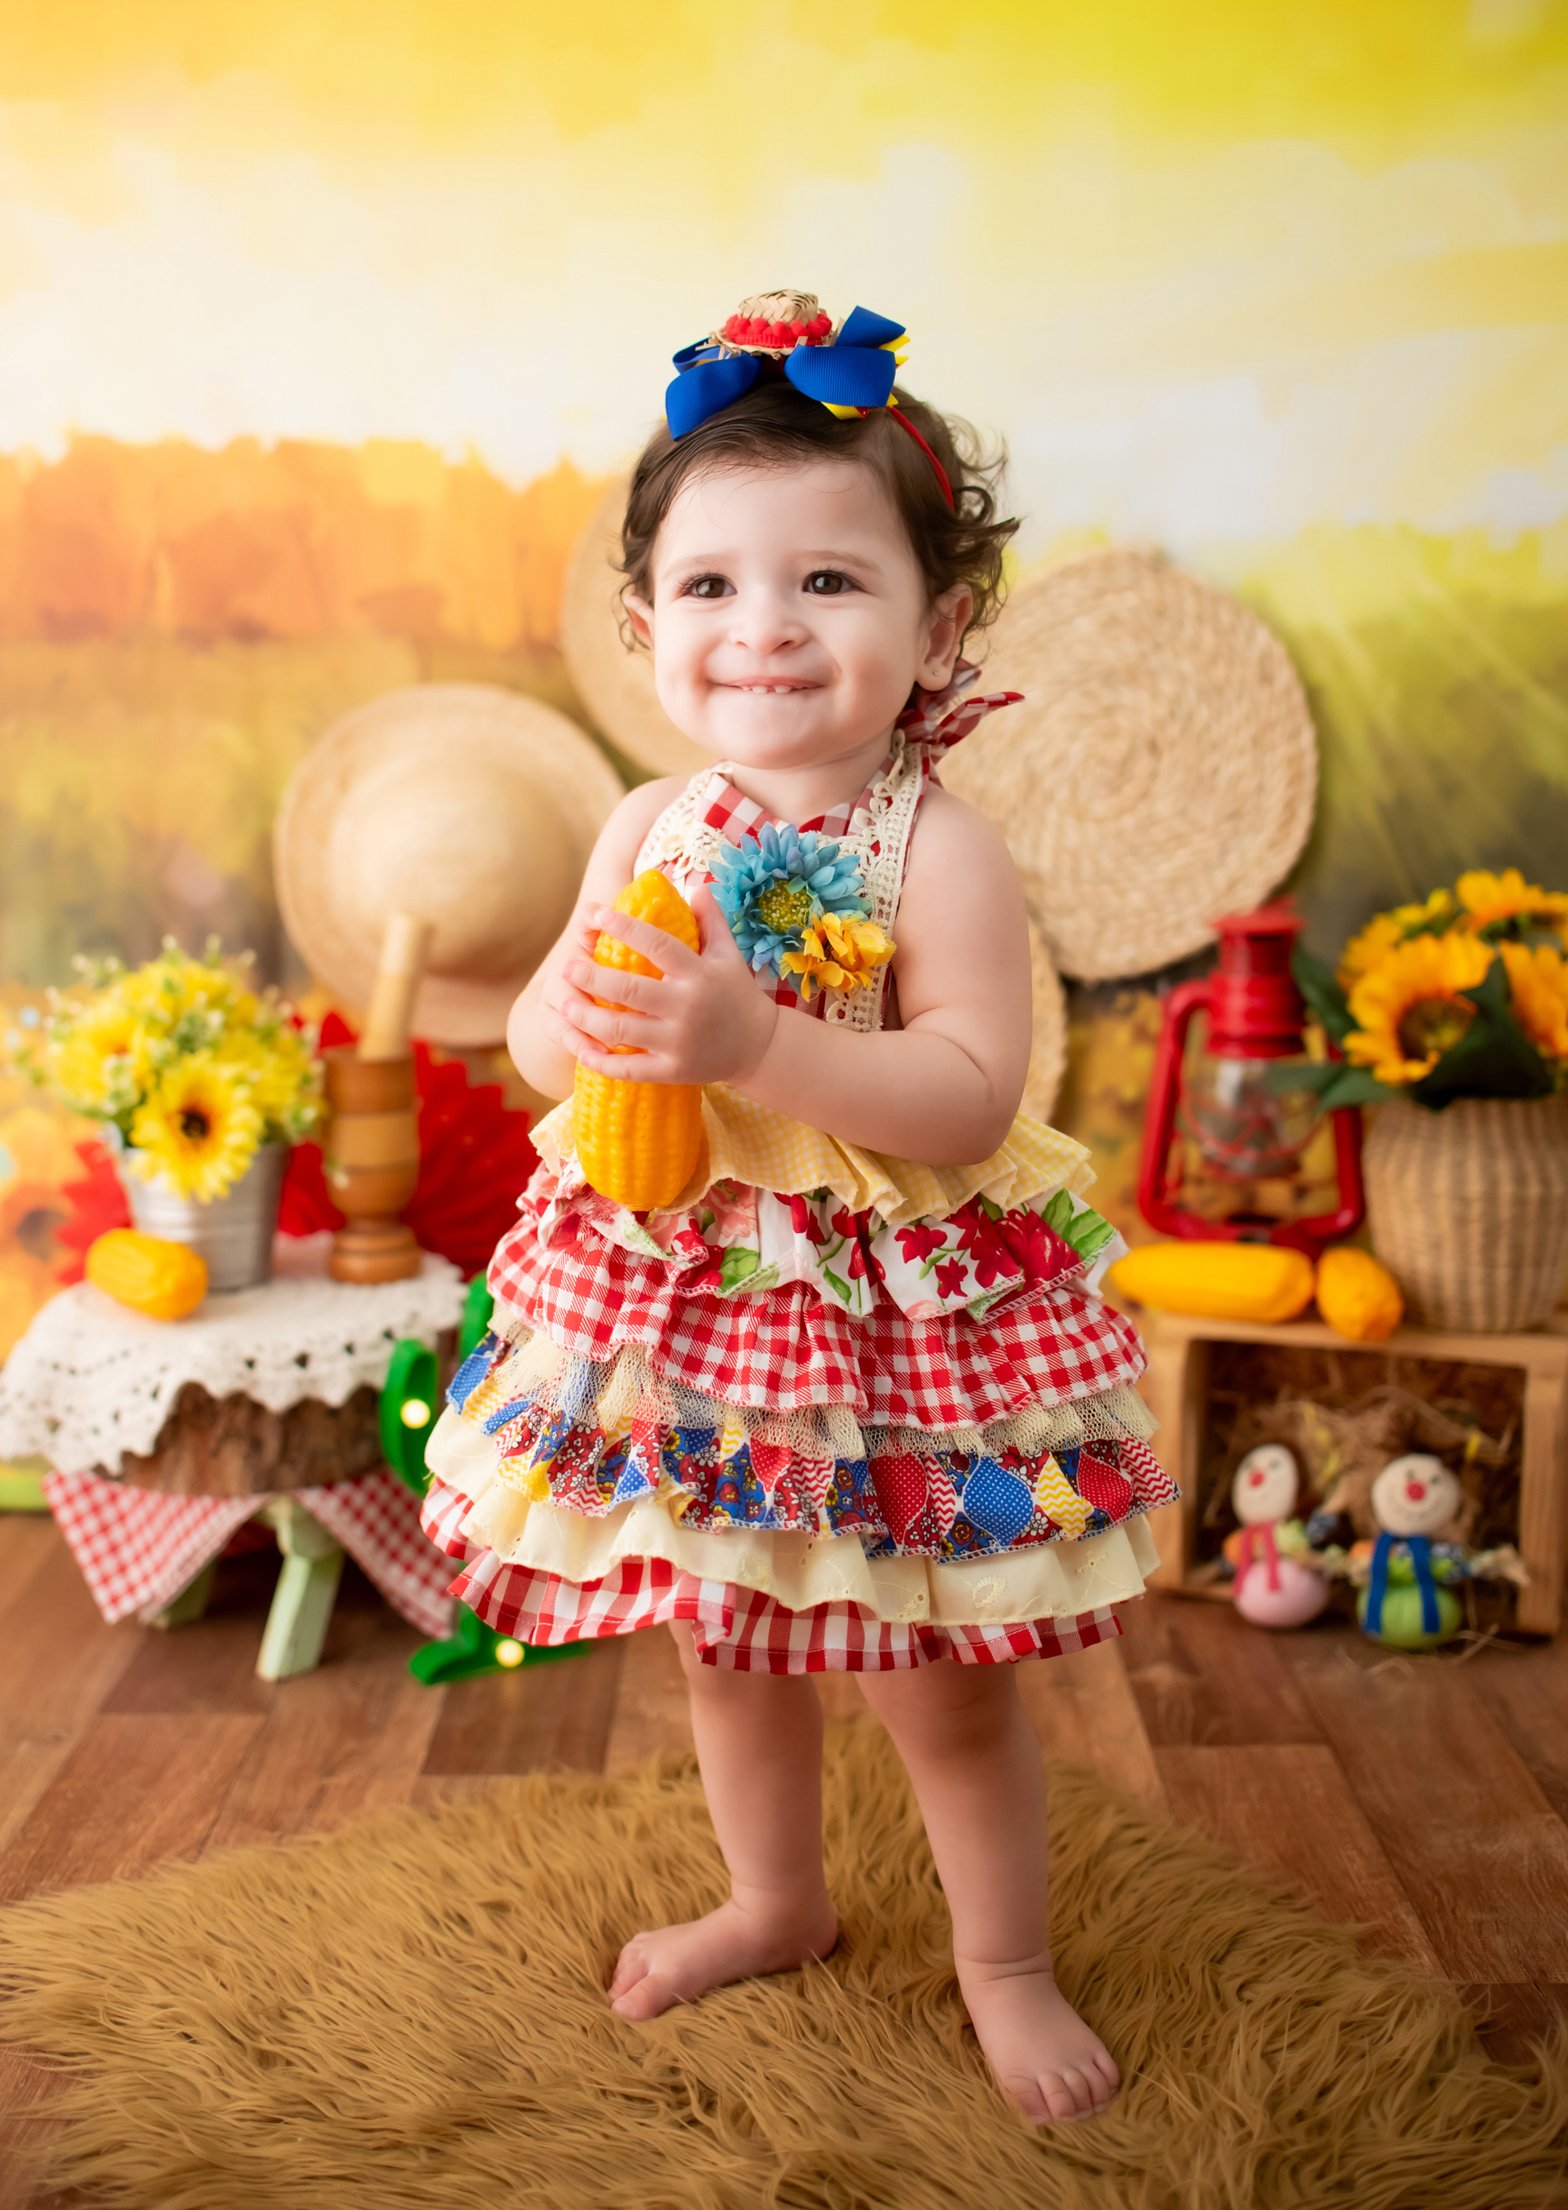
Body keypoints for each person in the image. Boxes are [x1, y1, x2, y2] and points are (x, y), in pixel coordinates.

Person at [419, 291, 1179, 2127]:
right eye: (711, 586)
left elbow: (969, 1092)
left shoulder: (941, 850)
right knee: (724, 1633)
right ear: (644, 627)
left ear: (941, 625)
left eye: (828, 582)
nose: (762, 626)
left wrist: (755, 1038)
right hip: (693, 1294)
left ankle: (1006, 1961)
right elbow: (545, 1038)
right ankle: (775, 1897)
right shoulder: (648, 824)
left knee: (938, 1671)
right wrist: (569, 1009)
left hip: (893, 1313)